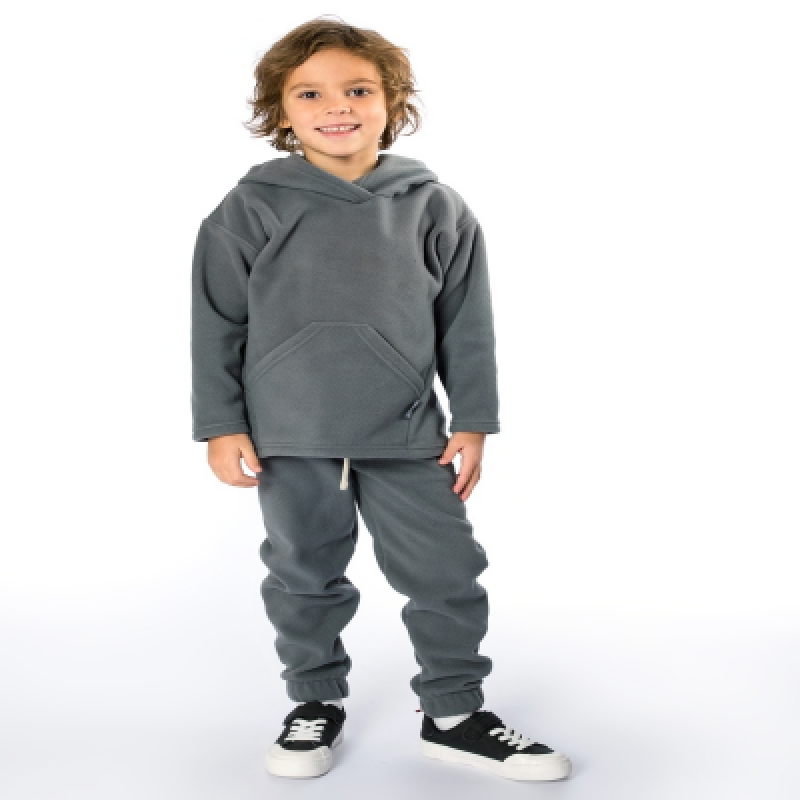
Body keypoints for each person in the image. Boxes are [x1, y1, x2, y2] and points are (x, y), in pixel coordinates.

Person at [190, 16, 572, 783]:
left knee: (447, 572)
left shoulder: (435, 207)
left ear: (393, 102)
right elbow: (217, 322)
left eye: (359, 89)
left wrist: (474, 419)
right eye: (310, 93)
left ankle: (454, 714)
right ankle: (314, 701)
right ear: (280, 111)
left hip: (407, 434)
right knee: (303, 574)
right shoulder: (249, 208)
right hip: (290, 436)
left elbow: (467, 322)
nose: (337, 106)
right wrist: (221, 424)